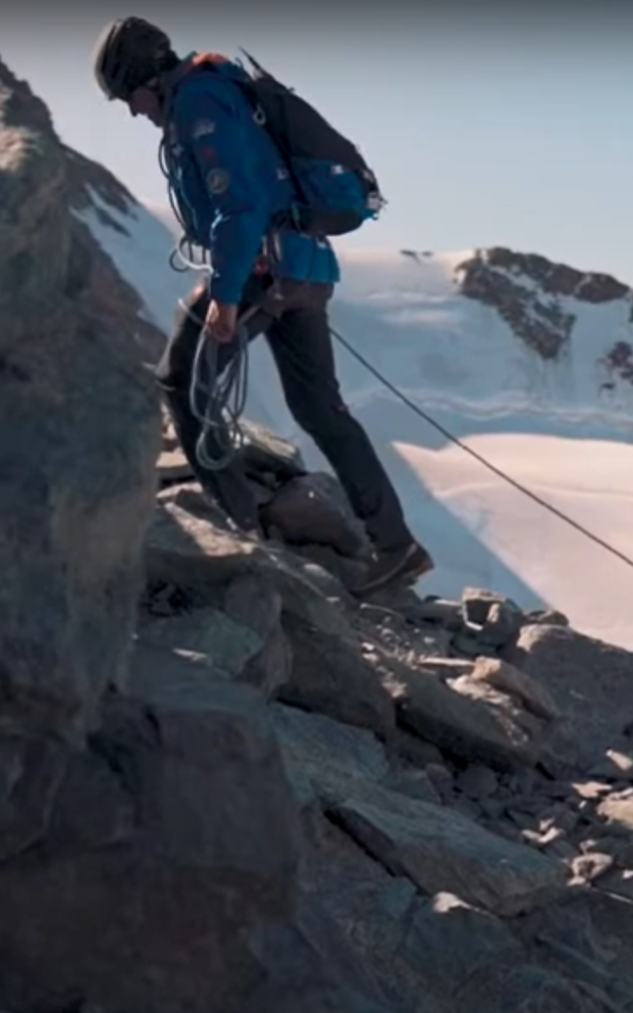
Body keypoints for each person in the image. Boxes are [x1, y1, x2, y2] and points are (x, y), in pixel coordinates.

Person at [90, 17, 433, 597]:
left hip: (260, 267)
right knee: (321, 410)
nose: (133, 111)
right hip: (305, 266)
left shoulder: (199, 102)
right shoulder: (217, 90)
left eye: (130, 97)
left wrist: (224, 298)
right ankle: (396, 546)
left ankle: (241, 532)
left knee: (183, 384)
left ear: (146, 77)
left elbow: (240, 206)